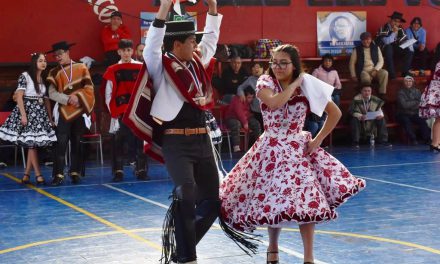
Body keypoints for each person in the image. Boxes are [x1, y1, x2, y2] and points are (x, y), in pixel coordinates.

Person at [122, 0, 251, 263]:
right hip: (175, 142)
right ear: (177, 44)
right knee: (185, 193)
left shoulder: (196, 65)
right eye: (192, 41)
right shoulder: (161, 66)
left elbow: (212, 41)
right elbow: (153, 45)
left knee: (213, 203)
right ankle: (187, 257)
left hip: (202, 139)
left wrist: (213, 8)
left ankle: (182, 248)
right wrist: (164, 7)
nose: (196, 45)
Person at [220, 44, 366, 264]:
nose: (277, 67)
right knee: (271, 199)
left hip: (298, 151)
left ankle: (309, 257)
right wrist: (297, 83)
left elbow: (334, 112)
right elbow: (275, 102)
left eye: (283, 62)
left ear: (294, 64)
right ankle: (273, 247)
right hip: (270, 149)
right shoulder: (265, 82)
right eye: (274, 62)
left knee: (308, 202)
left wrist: (317, 141)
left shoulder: (309, 85)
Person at [0, 53, 57, 184]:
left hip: (39, 114)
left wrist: (49, 117)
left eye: (45, 61)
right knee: (32, 146)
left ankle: (26, 174)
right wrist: (24, 115)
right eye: (40, 61)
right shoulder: (25, 76)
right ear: (34, 63)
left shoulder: (43, 78)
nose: (44, 63)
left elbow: (46, 100)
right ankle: (38, 175)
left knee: (33, 145)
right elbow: (19, 97)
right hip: (28, 112)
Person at [47, 41, 95, 186]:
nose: (58, 57)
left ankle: (75, 172)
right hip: (63, 111)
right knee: (60, 143)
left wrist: (79, 98)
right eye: (55, 56)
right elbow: (51, 93)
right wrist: (68, 99)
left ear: (68, 52)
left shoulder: (81, 67)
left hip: (79, 111)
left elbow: (89, 88)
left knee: (77, 142)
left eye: (60, 54)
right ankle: (58, 174)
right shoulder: (53, 72)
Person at [102, 39, 149, 182]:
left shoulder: (141, 67)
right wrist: (113, 113)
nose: (127, 53)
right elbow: (108, 93)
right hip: (120, 111)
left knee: (140, 139)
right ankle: (118, 171)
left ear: (132, 51)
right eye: (124, 50)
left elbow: (146, 89)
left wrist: (144, 109)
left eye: (129, 50)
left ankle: (141, 170)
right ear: (119, 52)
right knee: (119, 141)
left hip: (137, 111)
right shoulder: (112, 69)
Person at [349, 32, 388, 97]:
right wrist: (353, 75)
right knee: (365, 77)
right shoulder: (357, 49)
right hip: (364, 71)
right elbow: (351, 63)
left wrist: (376, 70)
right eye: (363, 40)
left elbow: (381, 61)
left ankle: (382, 94)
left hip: (375, 70)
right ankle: (369, 96)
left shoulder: (376, 48)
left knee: (385, 73)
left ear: (371, 40)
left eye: (367, 39)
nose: (366, 41)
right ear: (361, 41)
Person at [376, 11, 412, 79]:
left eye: (398, 22)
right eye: (395, 21)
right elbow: (386, 42)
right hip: (384, 49)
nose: (396, 23)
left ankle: (405, 72)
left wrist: (408, 44)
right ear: (391, 20)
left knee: (409, 51)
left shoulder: (400, 29)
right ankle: (392, 74)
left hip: (396, 49)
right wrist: (393, 32)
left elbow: (403, 40)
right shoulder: (384, 28)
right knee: (389, 48)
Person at [225, 86, 262, 152]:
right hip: (232, 117)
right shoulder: (237, 99)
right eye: (249, 97)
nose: (250, 99)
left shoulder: (249, 102)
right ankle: (236, 146)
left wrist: (246, 121)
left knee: (256, 124)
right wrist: (245, 123)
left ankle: (259, 144)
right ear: (243, 96)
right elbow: (239, 112)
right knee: (236, 124)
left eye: (252, 97)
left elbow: (247, 113)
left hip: (246, 117)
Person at [396, 75, 431, 145]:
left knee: (422, 121)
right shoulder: (400, 92)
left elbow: (421, 103)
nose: (408, 83)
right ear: (404, 83)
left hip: (414, 113)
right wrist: (415, 102)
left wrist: (411, 104)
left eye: (410, 81)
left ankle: (427, 139)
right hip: (403, 114)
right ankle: (413, 139)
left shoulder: (417, 91)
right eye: (406, 81)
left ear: (412, 82)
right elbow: (404, 105)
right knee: (406, 121)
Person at [419, 61, 440, 152]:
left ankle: (436, 143)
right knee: (439, 119)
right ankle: (435, 143)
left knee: (439, 119)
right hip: (437, 92)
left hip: (436, 90)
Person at [236, 61, 264, 127]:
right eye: (254, 68)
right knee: (258, 127)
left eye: (258, 67)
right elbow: (240, 87)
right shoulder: (250, 79)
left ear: (262, 69)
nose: (256, 69)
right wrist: (241, 94)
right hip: (255, 109)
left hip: (266, 110)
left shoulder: (267, 78)